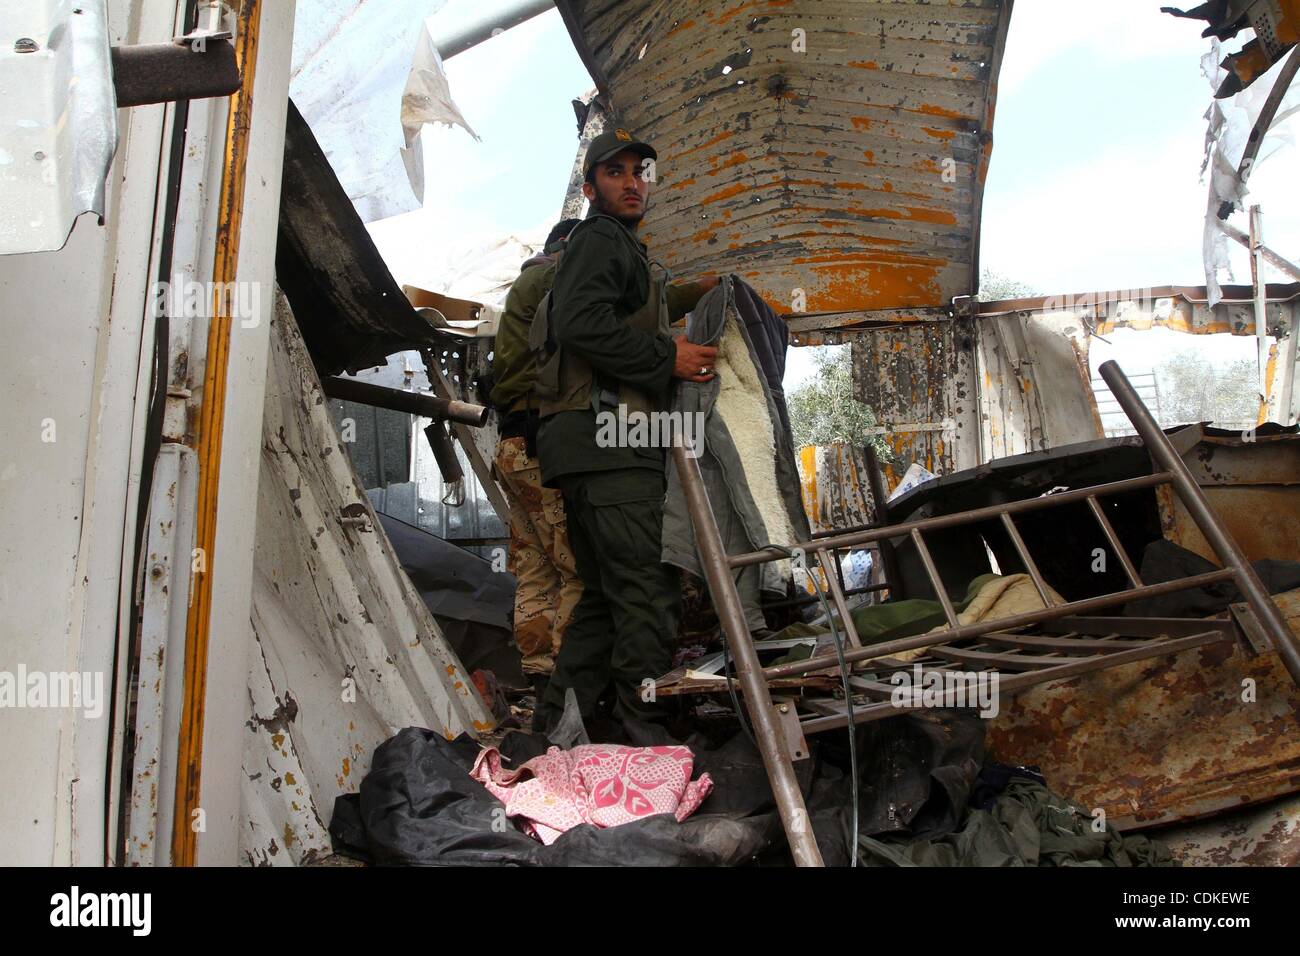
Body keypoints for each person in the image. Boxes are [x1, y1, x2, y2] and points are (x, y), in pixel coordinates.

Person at [532, 127, 719, 731]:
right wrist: (670, 358)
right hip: (607, 444)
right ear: (590, 188)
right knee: (644, 591)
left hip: (588, 444)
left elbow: (608, 318)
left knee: (605, 602)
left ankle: (561, 735)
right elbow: (582, 322)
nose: (633, 181)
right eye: (616, 173)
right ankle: (647, 739)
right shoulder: (601, 239)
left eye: (640, 171)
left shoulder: (623, 249)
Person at [490, 219, 584, 716]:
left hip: (511, 442)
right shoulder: (552, 278)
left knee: (535, 565)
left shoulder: (524, 287)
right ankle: (569, 684)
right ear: (569, 248)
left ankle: (540, 677)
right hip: (538, 444)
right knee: (575, 565)